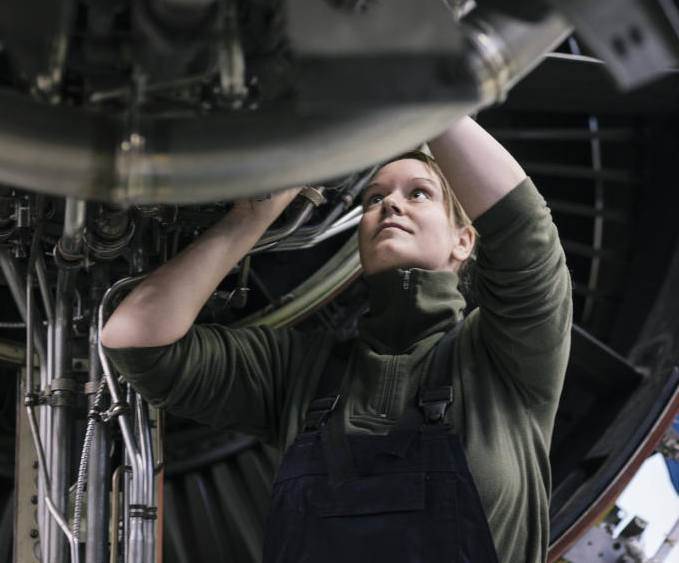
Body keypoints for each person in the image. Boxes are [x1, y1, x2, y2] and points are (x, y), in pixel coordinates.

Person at [101, 116, 573, 562]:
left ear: (464, 241)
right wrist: (254, 213)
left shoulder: (503, 356)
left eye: (419, 194)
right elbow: (136, 340)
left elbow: (524, 228)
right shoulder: (299, 375)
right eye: (372, 199)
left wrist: (417, 92)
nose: (390, 204)